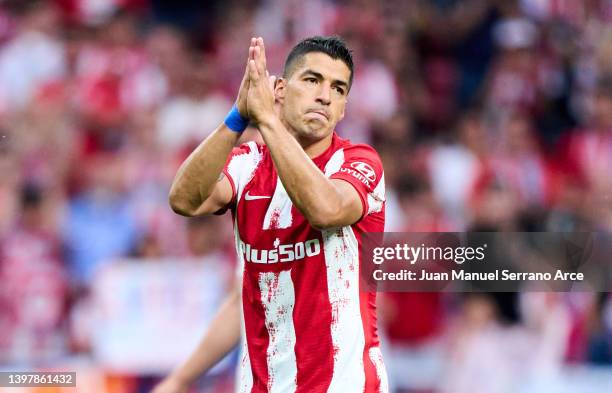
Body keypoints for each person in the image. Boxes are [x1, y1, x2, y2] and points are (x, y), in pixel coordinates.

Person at [154, 35, 388, 393]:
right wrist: (237, 117)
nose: (325, 96)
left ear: (343, 109)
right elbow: (184, 201)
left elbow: (326, 210)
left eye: (338, 89)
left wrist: (267, 120)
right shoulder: (248, 165)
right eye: (312, 80)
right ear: (279, 89)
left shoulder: (359, 163)